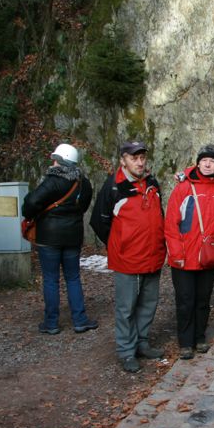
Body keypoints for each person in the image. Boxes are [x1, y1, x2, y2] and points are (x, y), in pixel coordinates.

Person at [90, 141, 166, 374]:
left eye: (142, 157)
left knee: (148, 304)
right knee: (126, 308)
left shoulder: (152, 182)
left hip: (153, 255)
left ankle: (142, 342)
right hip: (128, 258)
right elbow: (99, 221)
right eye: (134, 158)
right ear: (123, 160)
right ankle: (126, 350)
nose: (140, 162)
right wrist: (119, 244)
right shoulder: (114, 186)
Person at [22, 143, 96, 335]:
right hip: (73, 236)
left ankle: (51, 322)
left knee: (51, 280)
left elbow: (31, 202)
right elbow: (84, 206)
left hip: (49, 237)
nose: (53, 162)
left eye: (55, 158)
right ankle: (80, 320)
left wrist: (32, 213)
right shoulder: (83, 183)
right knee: (73, 278)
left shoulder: (53, 180)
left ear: (61, 161)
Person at [165, 145, 214, 359]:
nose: (208, 164)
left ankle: (199, 337)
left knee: (203, 298)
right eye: (204, 161)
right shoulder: (184, 187)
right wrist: (176, 253)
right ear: (197, 163)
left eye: (212, 161)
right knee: (185, 299)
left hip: (209, 255)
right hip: (184, 254)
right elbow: (171, 223)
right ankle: (185, 342)